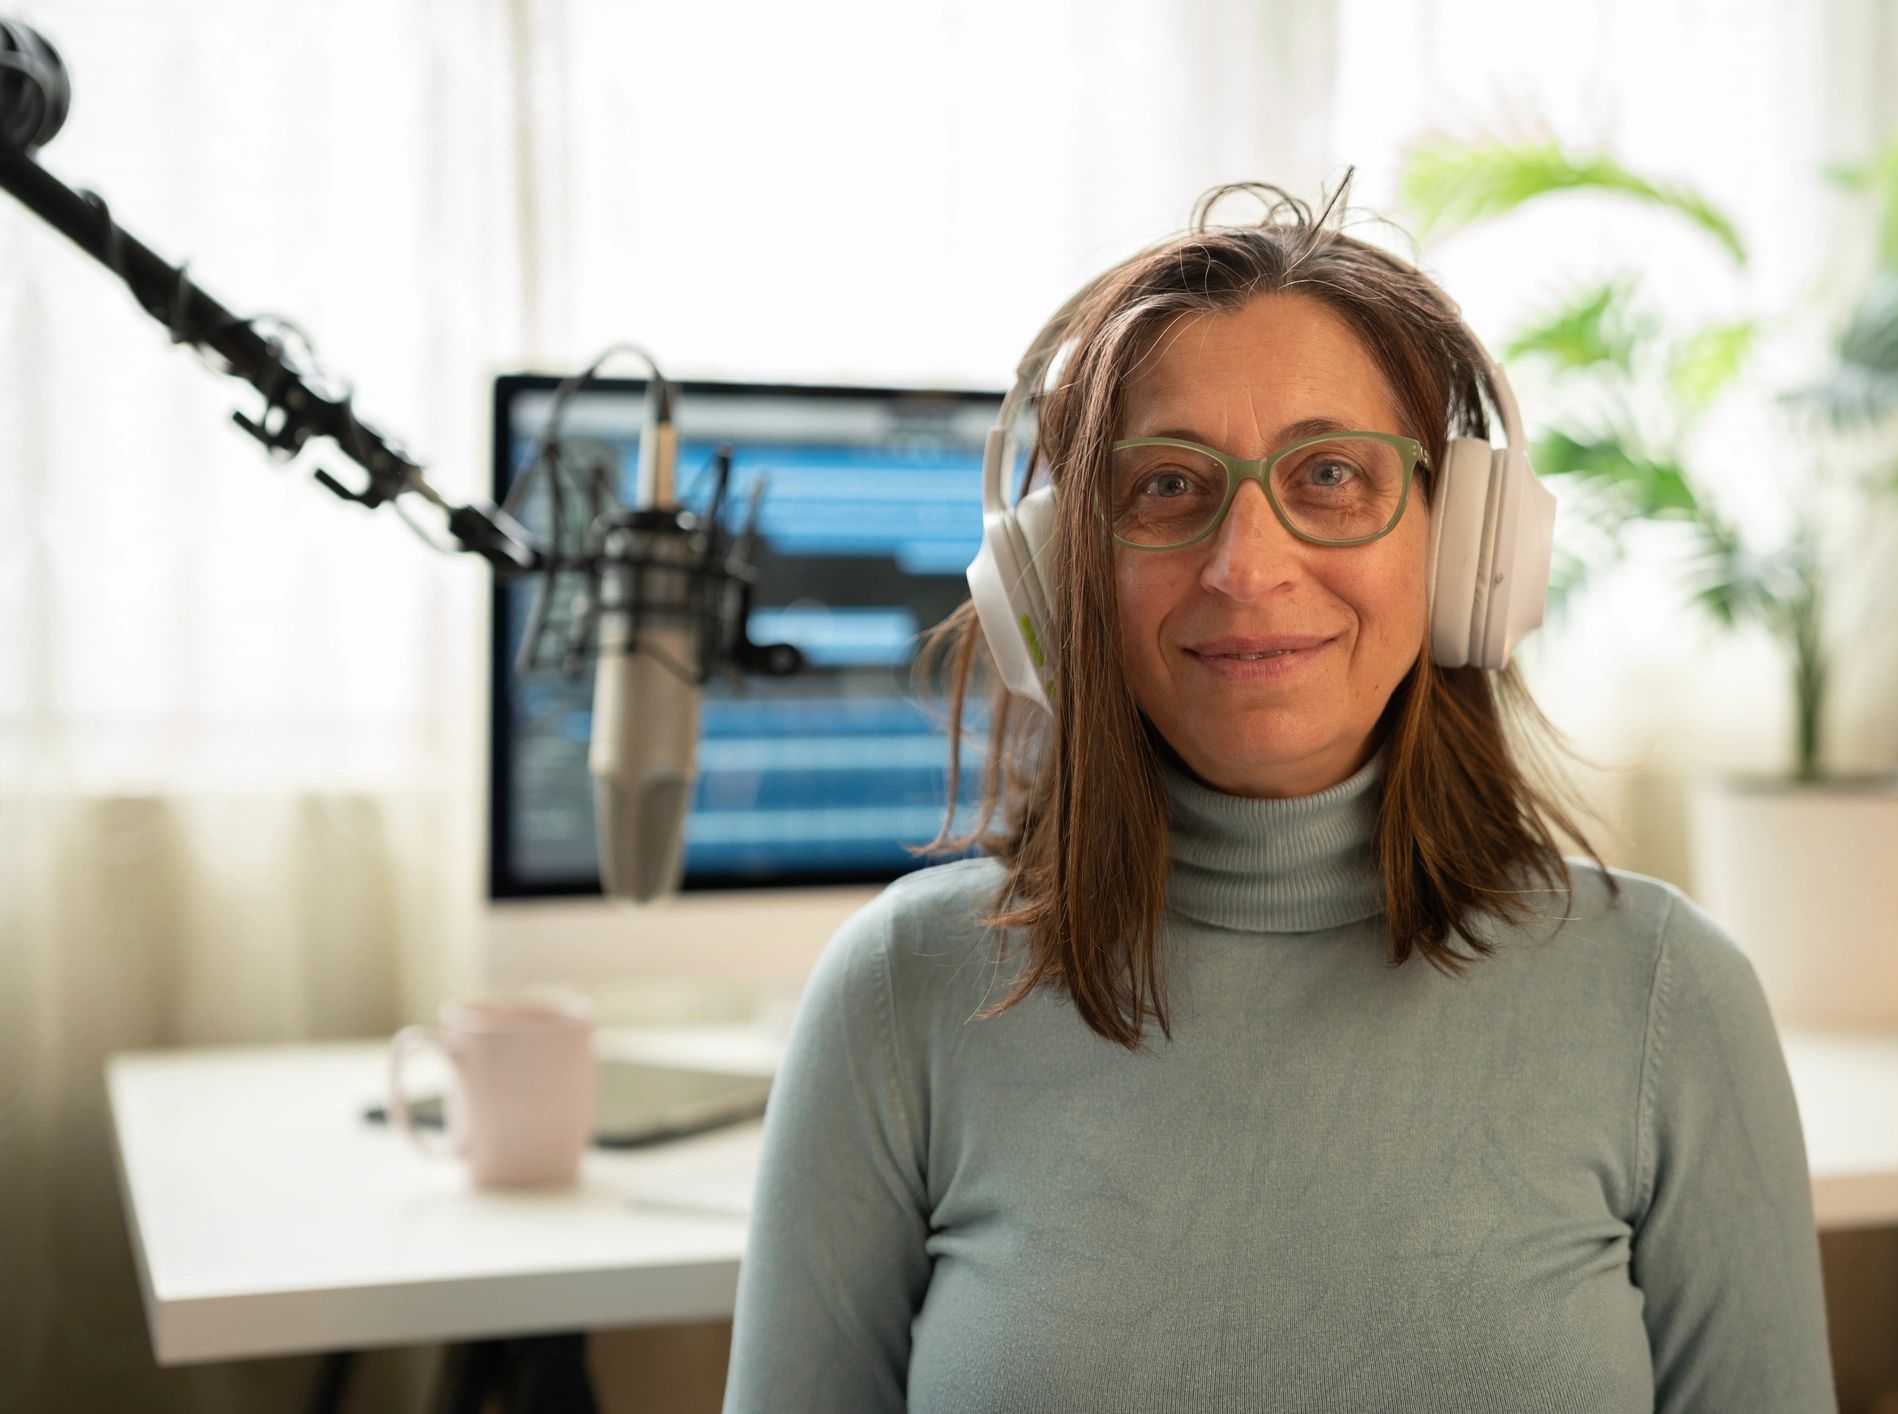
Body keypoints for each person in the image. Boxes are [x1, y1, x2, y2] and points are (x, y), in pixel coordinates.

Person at [722, 179, 1835, 1413]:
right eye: (1166, 486)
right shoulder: (897, 995)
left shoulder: (1669, 998)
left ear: (1464, 545)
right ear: (1064, 570)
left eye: (1331, 475)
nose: (1246, 565)